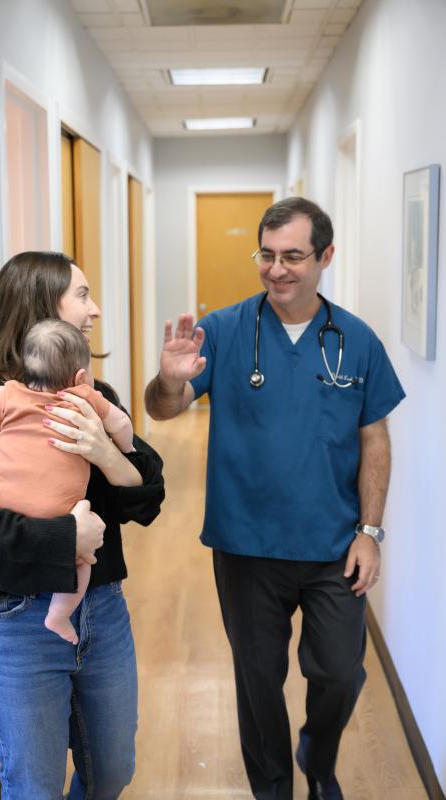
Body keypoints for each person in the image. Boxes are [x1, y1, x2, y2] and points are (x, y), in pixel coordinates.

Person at [145, 197, 405, 800]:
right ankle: (273, 790)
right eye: (267, 254)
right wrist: (169, 380)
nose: (277, 269)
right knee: (258, 682)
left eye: (293, 256)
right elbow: (164, 409)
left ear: (325, 257)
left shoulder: (356, 340)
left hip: (334, 544)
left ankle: (318, 755)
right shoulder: (224, 329)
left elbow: (375, 437)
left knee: (340, 672)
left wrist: (370, 532)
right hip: (246, 543)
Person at [0, 251, 165, 800]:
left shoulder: (90, 395)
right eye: (82, 295)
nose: (95, 309)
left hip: (99, 608)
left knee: (112, 772)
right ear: (40, 308)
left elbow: (147, 497)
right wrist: (65, 540)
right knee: (35, 787)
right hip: (11, 621)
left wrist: (104, 451)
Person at [0, 318, 134, 647]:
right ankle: (59, 614)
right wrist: (125, 448)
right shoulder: (84, 397)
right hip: (62, 515)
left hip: (3, 504)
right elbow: (122, 425)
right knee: (83, 562)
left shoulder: (9, 393)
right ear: (80, 376)